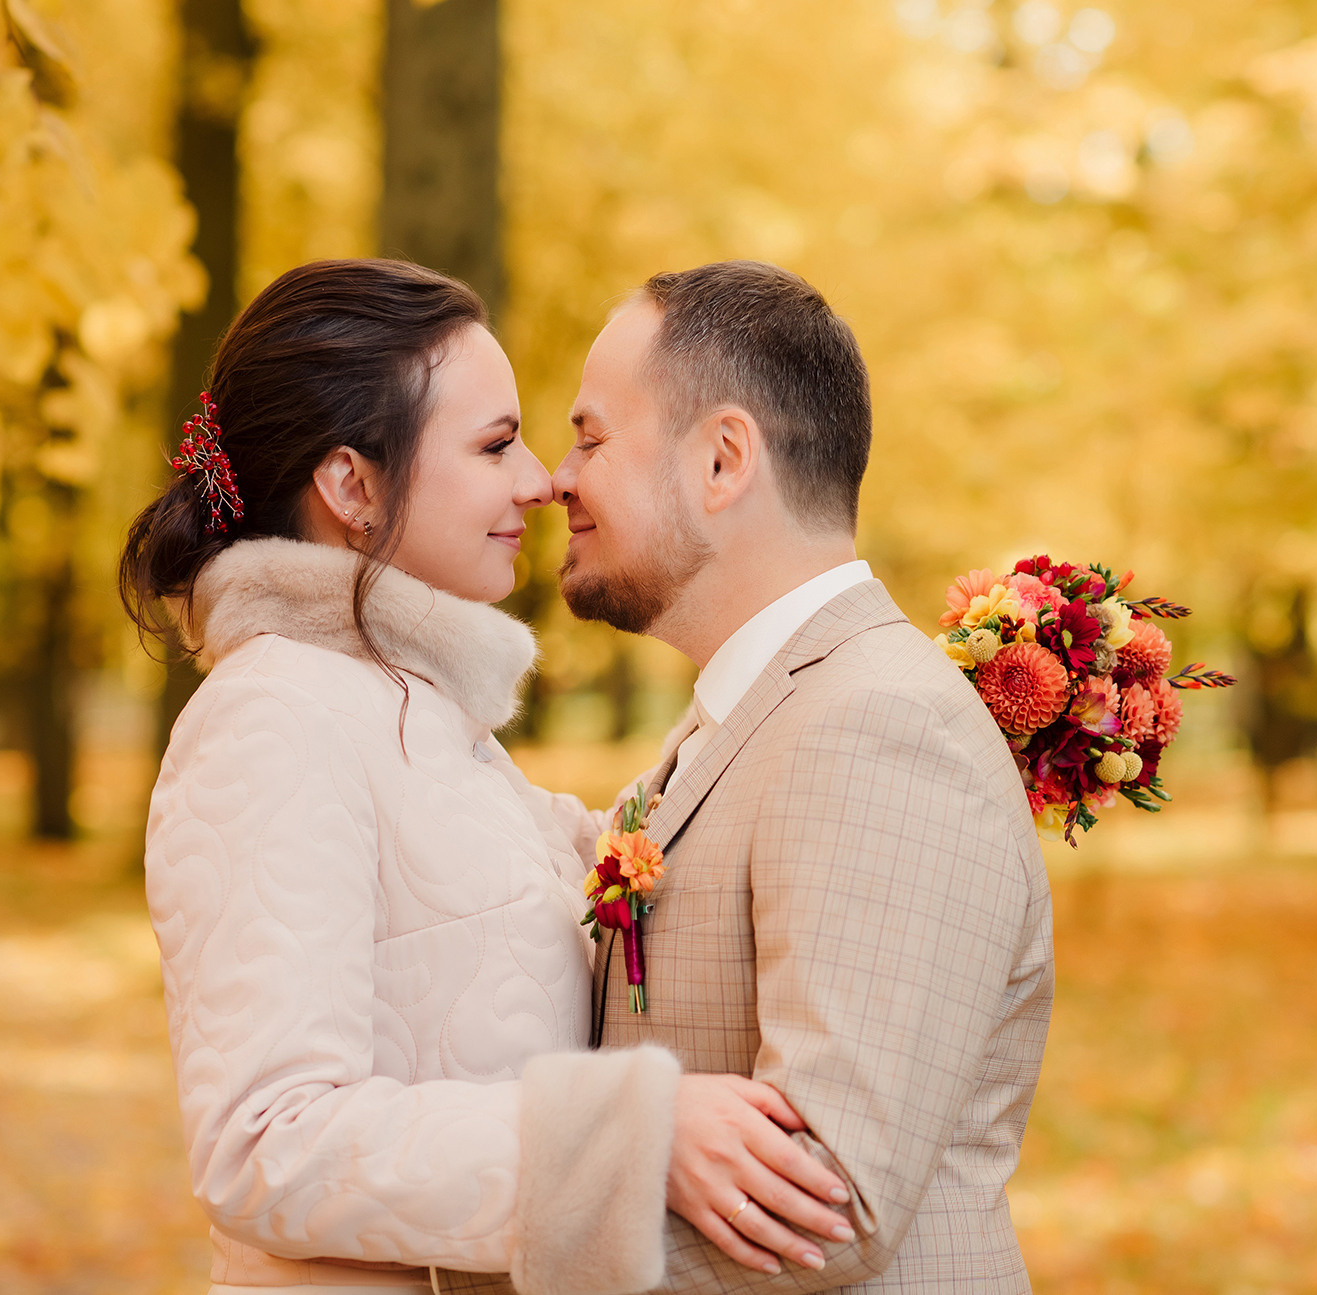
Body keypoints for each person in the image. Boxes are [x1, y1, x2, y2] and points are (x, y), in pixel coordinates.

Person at [124, 258, 849, 1295]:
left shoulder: (409, 712)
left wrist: (892, 728)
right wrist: (633, 1137)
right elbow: (264, 1141)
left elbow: (642, 850)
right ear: (352, 487)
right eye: (494, 443)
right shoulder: (276, 717)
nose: (541, 479)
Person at [436, 260, 1054, 1294]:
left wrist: (467, 1265)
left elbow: (825, 1197)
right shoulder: (758, 713)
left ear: (723, 459)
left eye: (590, 436)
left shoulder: (876, 725)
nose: (555, 477)